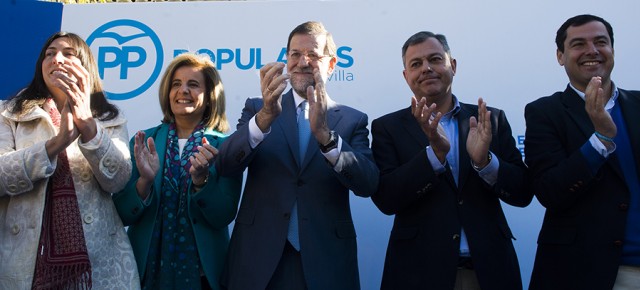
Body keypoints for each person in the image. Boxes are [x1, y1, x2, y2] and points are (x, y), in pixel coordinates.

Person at [216, 21, 379, 290]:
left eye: (313, 55)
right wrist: (265, 118)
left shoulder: (352, 120)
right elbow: (225, 164)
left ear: (331, 64)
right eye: (294, 54)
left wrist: (327, 138)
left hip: (325, 263)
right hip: (258, 260)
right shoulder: (258, 109)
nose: (302, 62)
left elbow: (368, 183)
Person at [371, 31, 532, 290]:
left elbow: (523, 193)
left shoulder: (490, 119)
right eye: (416, 64)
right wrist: (433, 156)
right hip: (418, 272)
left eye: (435, 59)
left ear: (452, 65)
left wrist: (485, 162)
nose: (426, 68)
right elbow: (387, 199)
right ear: (406, 76)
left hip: (489, 271)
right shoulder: (387, 127)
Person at [0, 32, 140, 289]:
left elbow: (119, 179)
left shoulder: (109, 116)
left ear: (85, 65)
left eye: (68, 53)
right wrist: (55, 144)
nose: (57, 59)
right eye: (49, 54)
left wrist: (88, 125)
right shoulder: (9, 113)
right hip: (24, 261)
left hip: (97, 263)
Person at [525, 14, 640, 290]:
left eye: (601, 42)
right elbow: (551, 191)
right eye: (578, 44)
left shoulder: (638, 104)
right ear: (560, 56)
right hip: (586, 272)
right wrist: (599, 140)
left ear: (612, 49)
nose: (592, 51)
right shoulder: (544, 112)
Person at [113, 53, 242, 290]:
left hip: (204, 277)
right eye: (176, 84)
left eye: (193, 85)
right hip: (144, 274)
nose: (183, 90)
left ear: (210, 95)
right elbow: (121, 214)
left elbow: (223, 215)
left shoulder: (225, 147)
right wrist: (144, 182)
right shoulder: (144, 141)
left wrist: (202, 182)